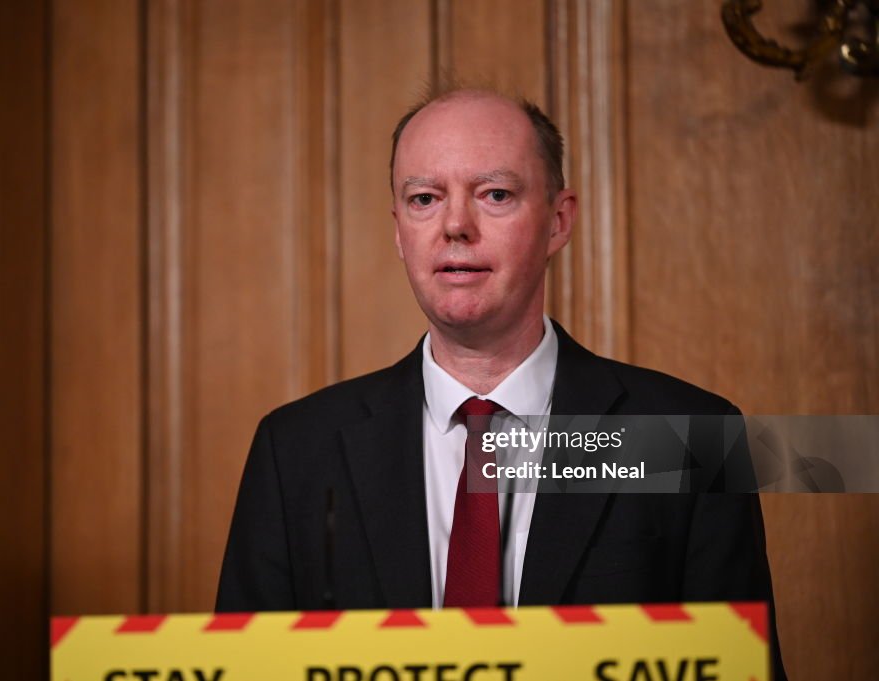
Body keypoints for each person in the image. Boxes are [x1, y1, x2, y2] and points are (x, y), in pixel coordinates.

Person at [216, 87, 785, 677]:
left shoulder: (692, 439)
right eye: (424, 198)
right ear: (398, 230)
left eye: (495, 194)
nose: (455, 226)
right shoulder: (295, 451)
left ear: (559, 221)